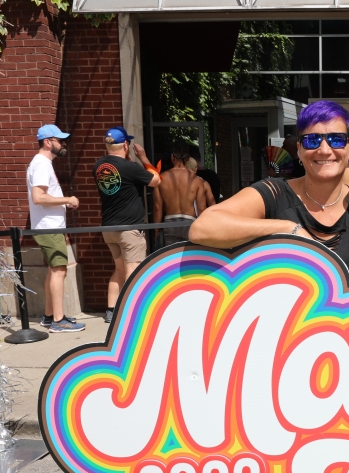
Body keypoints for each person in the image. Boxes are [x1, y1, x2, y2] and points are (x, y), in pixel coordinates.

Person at [190, 101, 349, 273]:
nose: (324, 150)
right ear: (299, 150)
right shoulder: (275, 193)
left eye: (336, 140)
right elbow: (202, 227)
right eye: (312, 140)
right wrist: (287, 229)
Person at [93, 126, 161, 324]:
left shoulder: (98, 166)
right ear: (125, 145)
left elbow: (121, 181)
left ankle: (111, 310)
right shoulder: (131, 168)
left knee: (119, 269)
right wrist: (143, 158)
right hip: (129, 229)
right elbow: (156, 181)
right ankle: (132, 311)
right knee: (133, 269)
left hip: (109, 228)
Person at [28, 125, 84, 333]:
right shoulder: (42, 164)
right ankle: (58, 321)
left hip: (49, 226)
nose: (64, 144)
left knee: (54, 270)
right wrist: (67, 199)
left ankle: (50, 316)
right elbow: (39, 197)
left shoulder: (41, 163)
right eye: (60, 141)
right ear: (47, 142)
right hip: (49, 227)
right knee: (59, 270)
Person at [152, 140, 214, 246]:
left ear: (172, 157)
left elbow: (157, 207)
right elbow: (201, 208)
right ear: (188, 158)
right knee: (190, 255)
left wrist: (156, 229)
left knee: (172, 255)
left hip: (170, 224)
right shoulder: (197, 180)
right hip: (189, 223)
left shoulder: (161, 179)